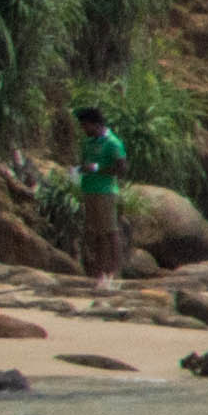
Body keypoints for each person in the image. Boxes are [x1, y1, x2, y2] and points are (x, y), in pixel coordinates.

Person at [73, 107, 129, 287]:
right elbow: (85, 163)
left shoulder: (113, 143)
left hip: (106, 191)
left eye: (85, 125)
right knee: (96, 233)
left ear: (95, 124)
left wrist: (97, 169)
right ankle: (100, 272)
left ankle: (114, 273)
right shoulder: (88, 143)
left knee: (111, 232)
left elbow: (122, 169)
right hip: (89, 189)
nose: (84, 129)